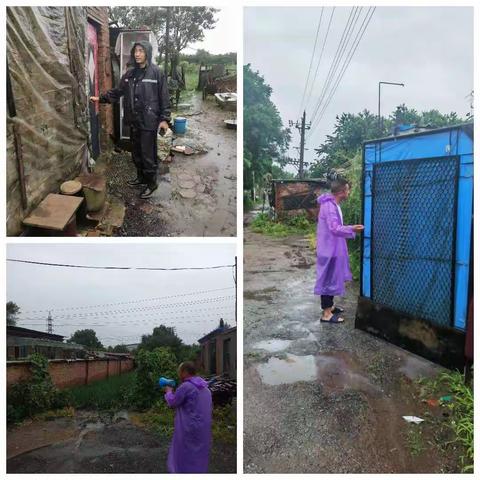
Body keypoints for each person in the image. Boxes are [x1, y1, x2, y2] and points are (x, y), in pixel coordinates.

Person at [90, 41, 170, 199]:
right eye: (135, 51)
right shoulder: (130, 74)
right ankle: (141, 178)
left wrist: (164, 118)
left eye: (141, 51)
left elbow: (164, 97)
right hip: (134, 120)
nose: (137, 54)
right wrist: (101, 98)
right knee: (137, 153)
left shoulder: (156, 73)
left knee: (148, 154)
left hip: (149, 121)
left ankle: (151, 183)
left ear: (147, 52)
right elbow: (117, 91)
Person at [314, 178, 364, 323]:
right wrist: (352, 228)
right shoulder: (329, 206)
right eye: (348, 189)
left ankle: (330, 306)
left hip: (331, 247)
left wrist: (351, 228)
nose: (349, 192)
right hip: (329, 249)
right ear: (342, 192)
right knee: (328, 280)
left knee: (332, 277)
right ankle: (326, 314)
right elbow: (334, 228)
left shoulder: (333, 204)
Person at [164, 361, 212, 473]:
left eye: (180, 371)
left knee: (185, 453)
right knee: (199, 453)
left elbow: (173, 402)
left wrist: (168, 391)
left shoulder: (186, 386)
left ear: (185, 372)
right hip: (203, 428)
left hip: (188, 428)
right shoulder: (205, 387)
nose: (178, 374)